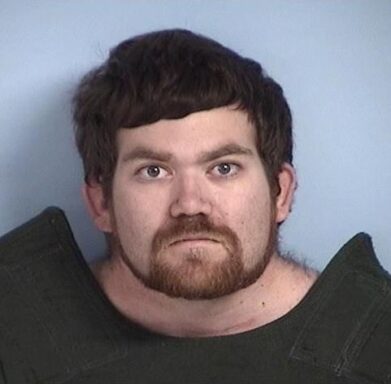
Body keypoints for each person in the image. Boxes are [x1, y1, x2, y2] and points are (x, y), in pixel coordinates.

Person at [0, 29, 390, 383]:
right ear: (101, 202)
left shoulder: (377, 341)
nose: (190, 205)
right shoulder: (13, 324)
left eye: (223, 168)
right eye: (153, 171)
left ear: (280, 193)